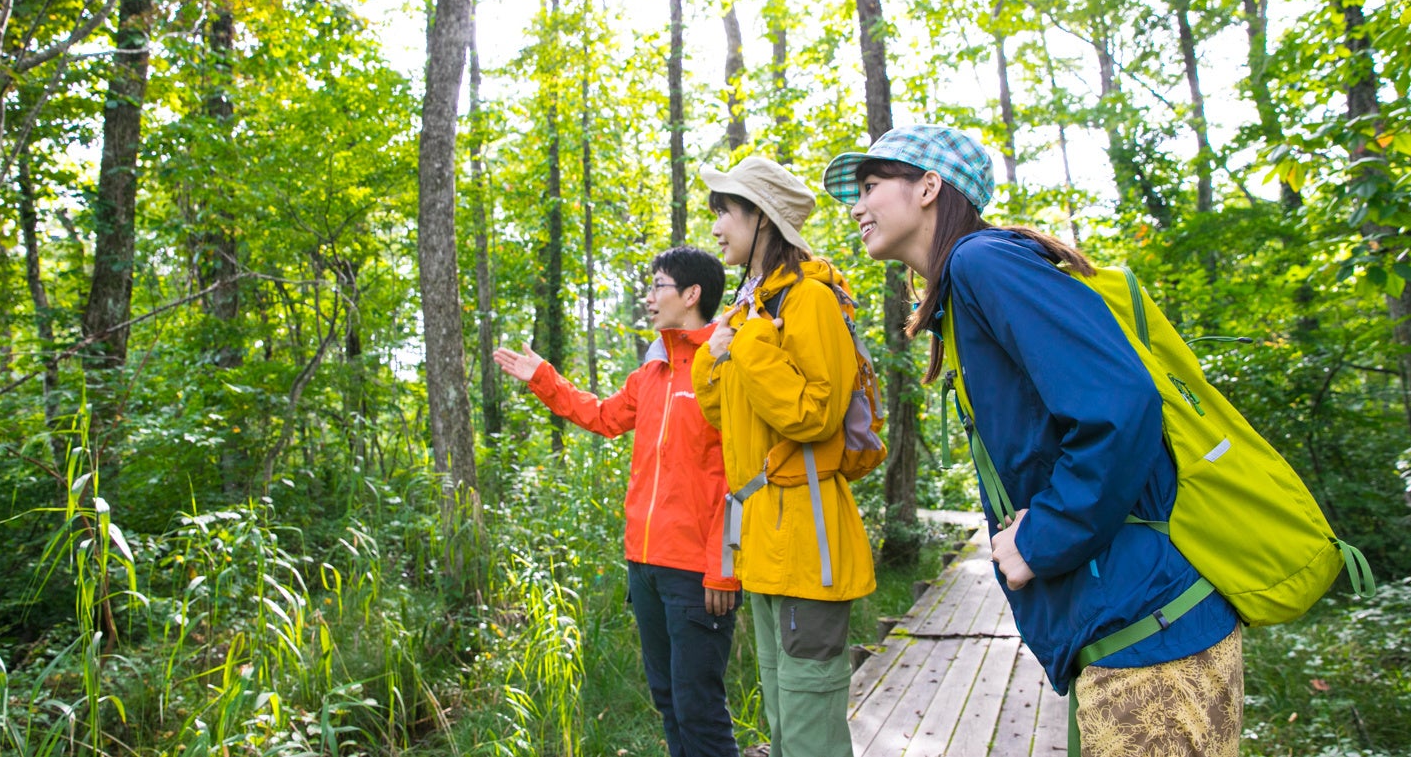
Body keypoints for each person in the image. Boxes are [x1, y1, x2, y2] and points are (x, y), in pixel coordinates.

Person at [821, 124, 1243, 756]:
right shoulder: (971, 284)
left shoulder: (982, 261)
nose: (856, 206)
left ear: (929, 187)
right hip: (1126, 631)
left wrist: (1044, 538)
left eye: (872, 186)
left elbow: (1121, 405)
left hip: (1150, 635)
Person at [493, 246, 741, 757]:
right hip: (644, 566)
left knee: (700, 707)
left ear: (692, 294)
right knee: (669, 700)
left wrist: (724, 566)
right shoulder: (649, 375)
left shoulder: (723, 366)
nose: (648, 298)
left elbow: (737, 477)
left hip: (698, 571)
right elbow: (603, 418)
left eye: (659, 287)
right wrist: (544, 377)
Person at [691, 156, 874, 757]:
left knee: (808, 715)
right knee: (780, 707)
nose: (715, 226)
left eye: (725, 211)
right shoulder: (754, 307)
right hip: (768, 541)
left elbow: (812, 414)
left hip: (808, 538)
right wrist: (718, 354)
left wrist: (747, 343)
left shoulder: (809, 299)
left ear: (762, 218)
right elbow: (726, 418)